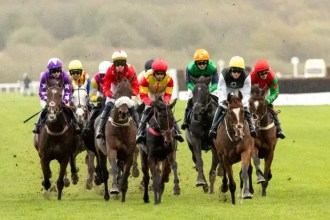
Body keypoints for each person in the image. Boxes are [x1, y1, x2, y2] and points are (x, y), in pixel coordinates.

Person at [136, 59, 184, 145]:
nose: (160, 76)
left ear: (165, 73)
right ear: (153, 72)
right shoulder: (146, 77)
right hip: (150, 93)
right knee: (147, 110)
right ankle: (140, 133)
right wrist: (150, 103)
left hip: (161, 93)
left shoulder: (169, 79)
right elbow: (143, 94)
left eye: (162, 74)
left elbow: (168, 94)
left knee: (168, 110)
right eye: (158, 73)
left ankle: (178, 132)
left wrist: (165, 102)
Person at [209, 56, 257, 138]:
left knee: (245, 106)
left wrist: (242, 103)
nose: (236, 73)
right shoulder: (224, 74)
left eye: (239, 71)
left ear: (242, 71)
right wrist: (224, 100)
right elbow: (221, 90)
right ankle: (213, 127)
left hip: (239, 88)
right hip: (226, 88)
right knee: (221, 105)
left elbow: (246, 94)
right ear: (230, 69)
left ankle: (252, 127)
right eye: (234, 71)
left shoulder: (246, 77)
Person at [96, 50, 140, 139]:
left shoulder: (131, 70)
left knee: (133, 109)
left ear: (125, 63)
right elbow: (106, 86)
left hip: (126, 91)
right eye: (117, 64)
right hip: (114, 89)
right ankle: (100, 129)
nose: (120, 66)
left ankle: (140, 131)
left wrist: (132, 93)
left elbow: (136, 86)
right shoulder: (109, 70)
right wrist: (110, 95)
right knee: (108, 107)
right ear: (114, 63)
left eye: (122, 64)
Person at [32, 58, 81, 134]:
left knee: (69, 109)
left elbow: (68, 91)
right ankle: (38, 125)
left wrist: (64, 101)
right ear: (49, 71)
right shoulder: (44, 76)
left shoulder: (65, 76)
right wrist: (47, 100)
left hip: (61, 95)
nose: (56, 73)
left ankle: (75, 124)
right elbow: (42, 90)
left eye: (58, 70)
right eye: (53, 71)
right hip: (48, 97)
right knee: (45, 109)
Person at [181, 49, 219, 130]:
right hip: (194, 86)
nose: (202, 65)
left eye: (204, 62)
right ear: (195, 63)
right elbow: (188, 83)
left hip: (208, 86)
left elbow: (216, 83)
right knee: (189, 99)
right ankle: (185, 121)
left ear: (207, 62)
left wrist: (209, 89)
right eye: (199, 63)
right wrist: (195, 89)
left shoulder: (212, 67)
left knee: (218, 98)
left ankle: (220, 120)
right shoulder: (190, 68)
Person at [250, 59, 285, 139]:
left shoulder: (272, 77)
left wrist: (268, 100)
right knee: (249, 107)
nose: (264, 75)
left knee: (269, 107)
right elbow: (247, 90)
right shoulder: (251, 77)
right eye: (262, 74)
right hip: (254, 92)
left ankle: (279, 129)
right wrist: (252, 100)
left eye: (266, 72)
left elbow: (275, 92)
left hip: (266, 91)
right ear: (257, 73)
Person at [83, 60, 112, 136]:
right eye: (102, 75)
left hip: (113, 96)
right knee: (95, 110)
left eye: (106, 75)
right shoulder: (95, 80)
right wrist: (98, 98)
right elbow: (91, 96)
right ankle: (89, 126)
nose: (104, 78)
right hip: (101, 95)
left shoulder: (116, 77)